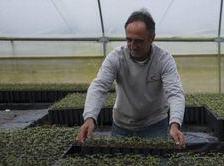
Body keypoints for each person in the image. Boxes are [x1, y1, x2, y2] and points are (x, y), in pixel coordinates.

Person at [76, 9, 185, 147]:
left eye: (139, 41)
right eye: (129, 39)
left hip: (155, 124)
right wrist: (90, 117)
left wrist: (174, 124)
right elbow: (99, 86)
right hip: (122, 126)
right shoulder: (116, 58)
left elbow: (175, 92)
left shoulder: (163, 60)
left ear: (152, 38)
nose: (132, 46)